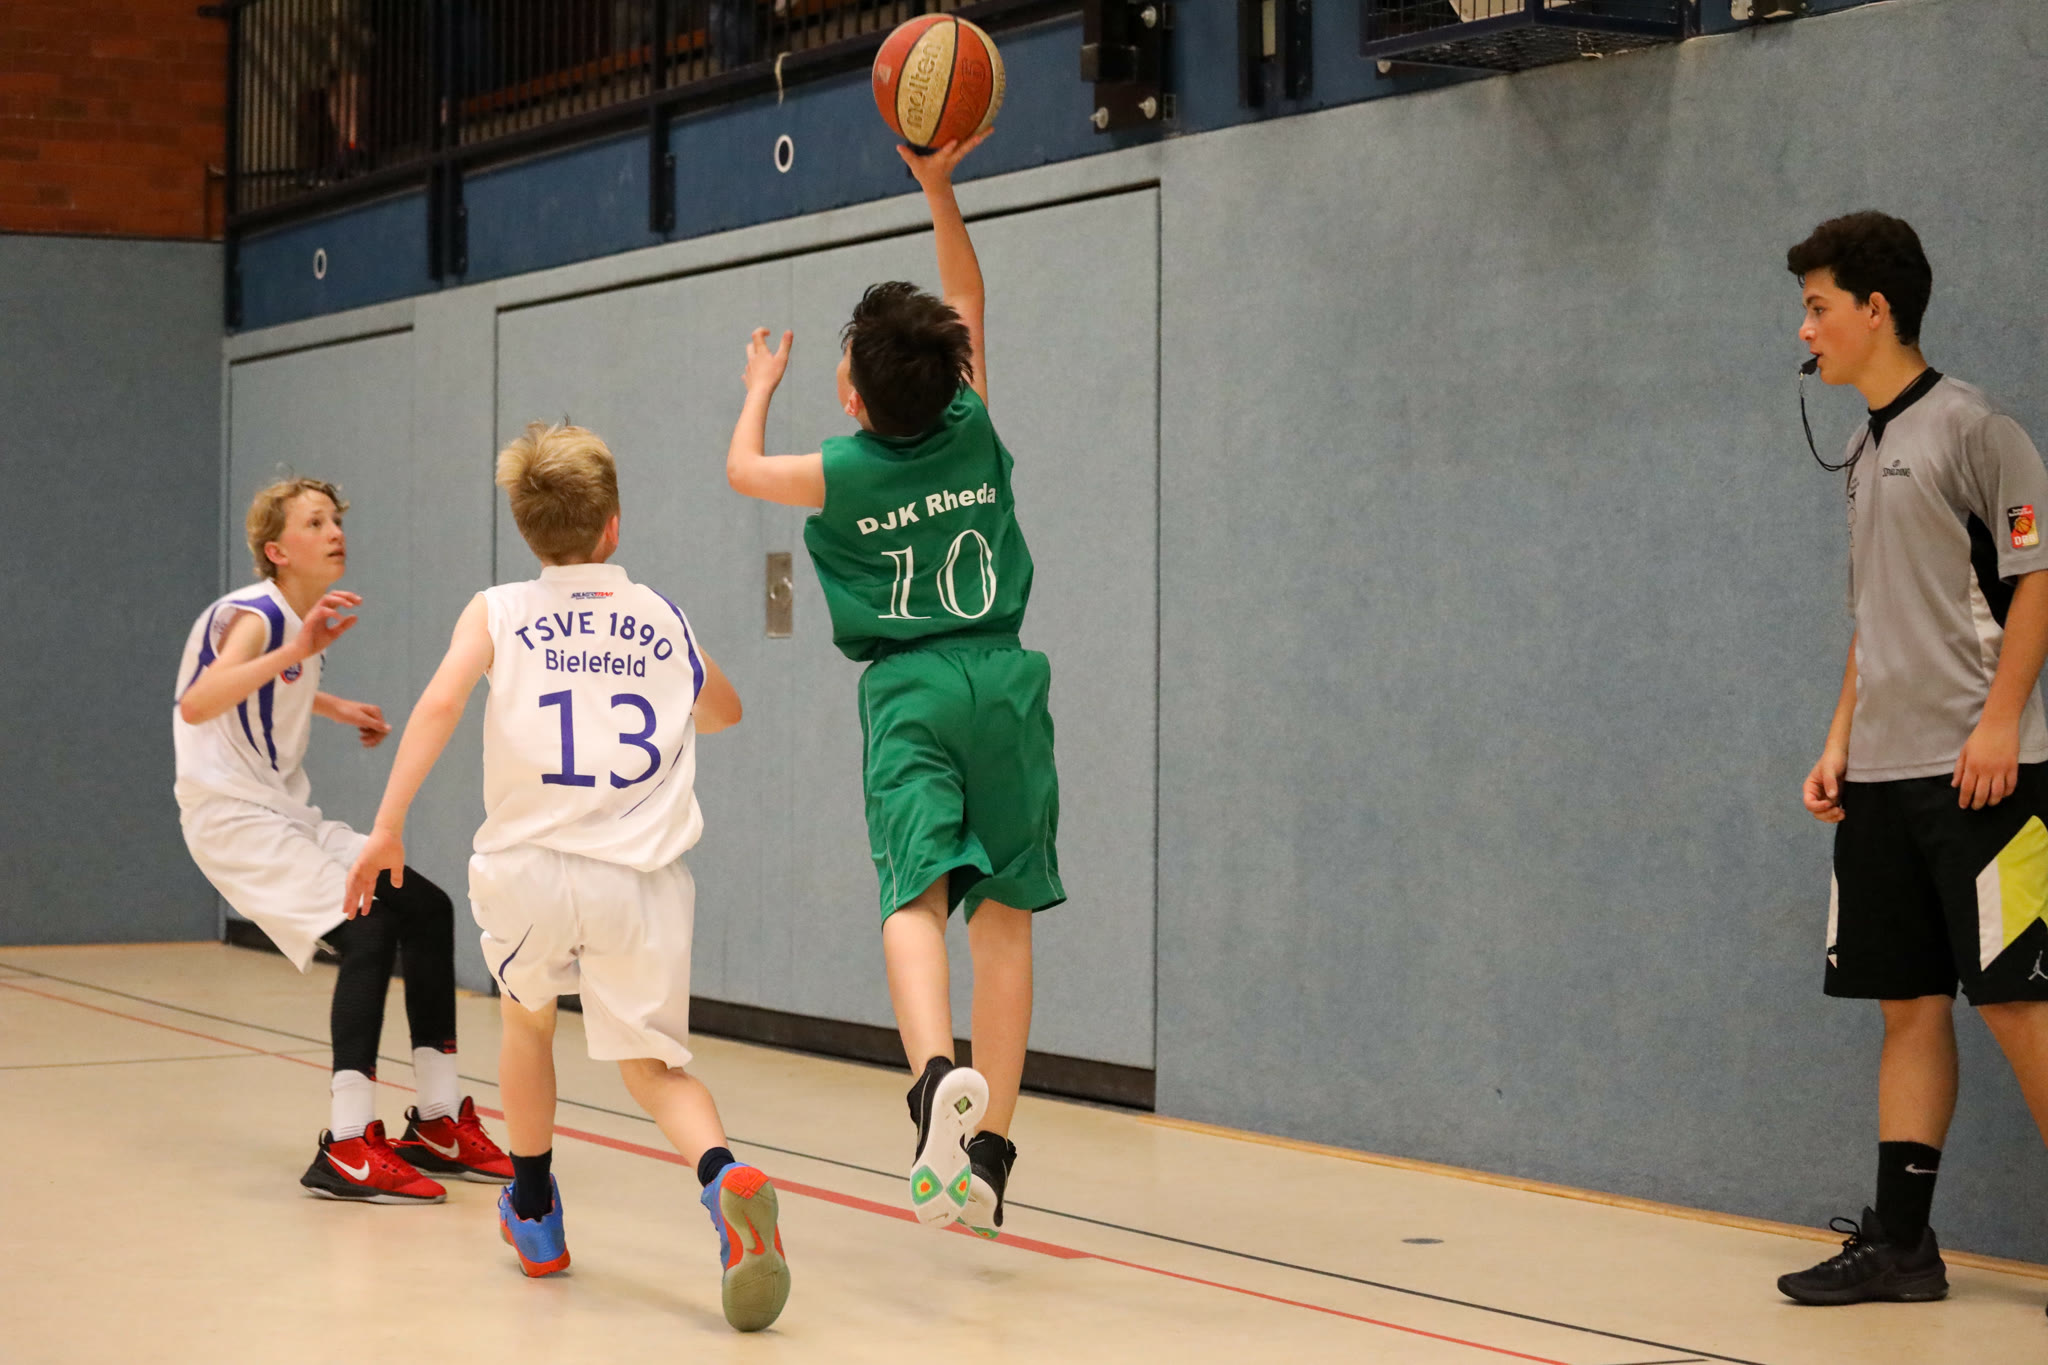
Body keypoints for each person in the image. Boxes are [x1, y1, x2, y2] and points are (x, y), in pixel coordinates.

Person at [344, 422, 788, 1331]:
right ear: (613, 526)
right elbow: (726, 711)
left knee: (528, 1022)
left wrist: (386, 824)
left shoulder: (497, 608)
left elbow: (440, 701)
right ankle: (723, 1175)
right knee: (656, 1069)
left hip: (531, 872)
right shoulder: (659, 614)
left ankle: (536, 1212)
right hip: (640, 881)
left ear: (526, 527)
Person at [723, 129, 1062, 1238]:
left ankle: (931, 1078)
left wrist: (758, 390)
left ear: (857, 401)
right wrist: (937, 187)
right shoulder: (971, 423)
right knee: (1004, 915)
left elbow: (740, 470)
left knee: (913, 895)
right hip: (1004, 677)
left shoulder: (839, 469)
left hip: (910, 690)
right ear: (951, 375)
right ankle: (991, 1149)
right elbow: (965, 293)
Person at [1782, 211, 2048, 1313]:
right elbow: (1874, 618)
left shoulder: (1976, 428)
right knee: (1907, 1005)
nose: (1805, 330)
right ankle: (1901, 1245)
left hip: (1985, 776)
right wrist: (1839, 739)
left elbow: (2036, 578)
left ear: (1874, 307)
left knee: (2021, 1007)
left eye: (1816, 307)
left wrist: (2000, 722)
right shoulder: (1857, 450)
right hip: (1880, 785)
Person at [175, 477, 509, 1203]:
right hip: (232, 819)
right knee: (367, 926)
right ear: (276, 550)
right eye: (314, 522)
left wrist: (332, 705)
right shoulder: (257, 616)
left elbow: (273, 682)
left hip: (283, 813)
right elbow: (199, 702)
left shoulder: (297, 624)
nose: (334, 532)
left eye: (336, 520)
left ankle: (439, 1120)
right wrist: (297, 650)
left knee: (426, 906)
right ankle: (349, 1143)